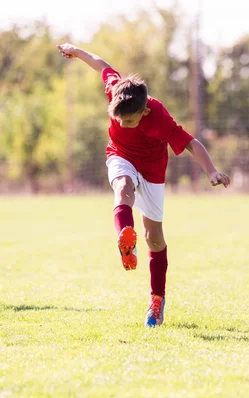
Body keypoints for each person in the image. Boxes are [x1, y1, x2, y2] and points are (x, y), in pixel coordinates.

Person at [56, 43, 230, 327]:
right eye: (118, 119)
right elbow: (101, 63)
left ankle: (156, 301)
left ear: (145, 113)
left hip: (152, 169)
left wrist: (211, 171)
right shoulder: (117, 90)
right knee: (122, 186)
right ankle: (125, 236)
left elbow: (191, 143)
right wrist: (76, 51)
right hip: (120, 155)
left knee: (155, 239)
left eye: (130, 120)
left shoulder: (158, 117)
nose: (123, 124)